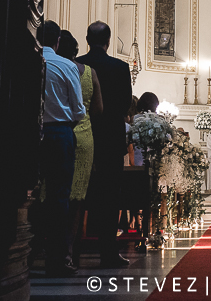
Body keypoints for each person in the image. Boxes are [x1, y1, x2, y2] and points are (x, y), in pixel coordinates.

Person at [77, 21, 133, 268]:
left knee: (79, 193)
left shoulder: (77, 65)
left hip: (82, 135)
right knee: (110, 195)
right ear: (109, 41)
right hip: (111, 137)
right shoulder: (120, 67)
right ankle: (108, 252)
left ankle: (73, 250)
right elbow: (124, 106)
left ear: (87, 40)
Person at [38, 21, 87, 277]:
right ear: (57, 41)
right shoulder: (67, 66)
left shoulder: (27, 61)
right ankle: (56, 260)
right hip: (59, 133)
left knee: (28, 195)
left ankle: (25, 252)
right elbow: (78, 110)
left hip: (31, 135)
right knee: (59, 196)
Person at [56, 30, 103, 270]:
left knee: (49, 194)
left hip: (54, 133)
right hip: (83, 135)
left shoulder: (50, 67)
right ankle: (68, 252)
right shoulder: (87, 72)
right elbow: (97, 109)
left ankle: (44, 249)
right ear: (76, 52)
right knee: (76, 198)